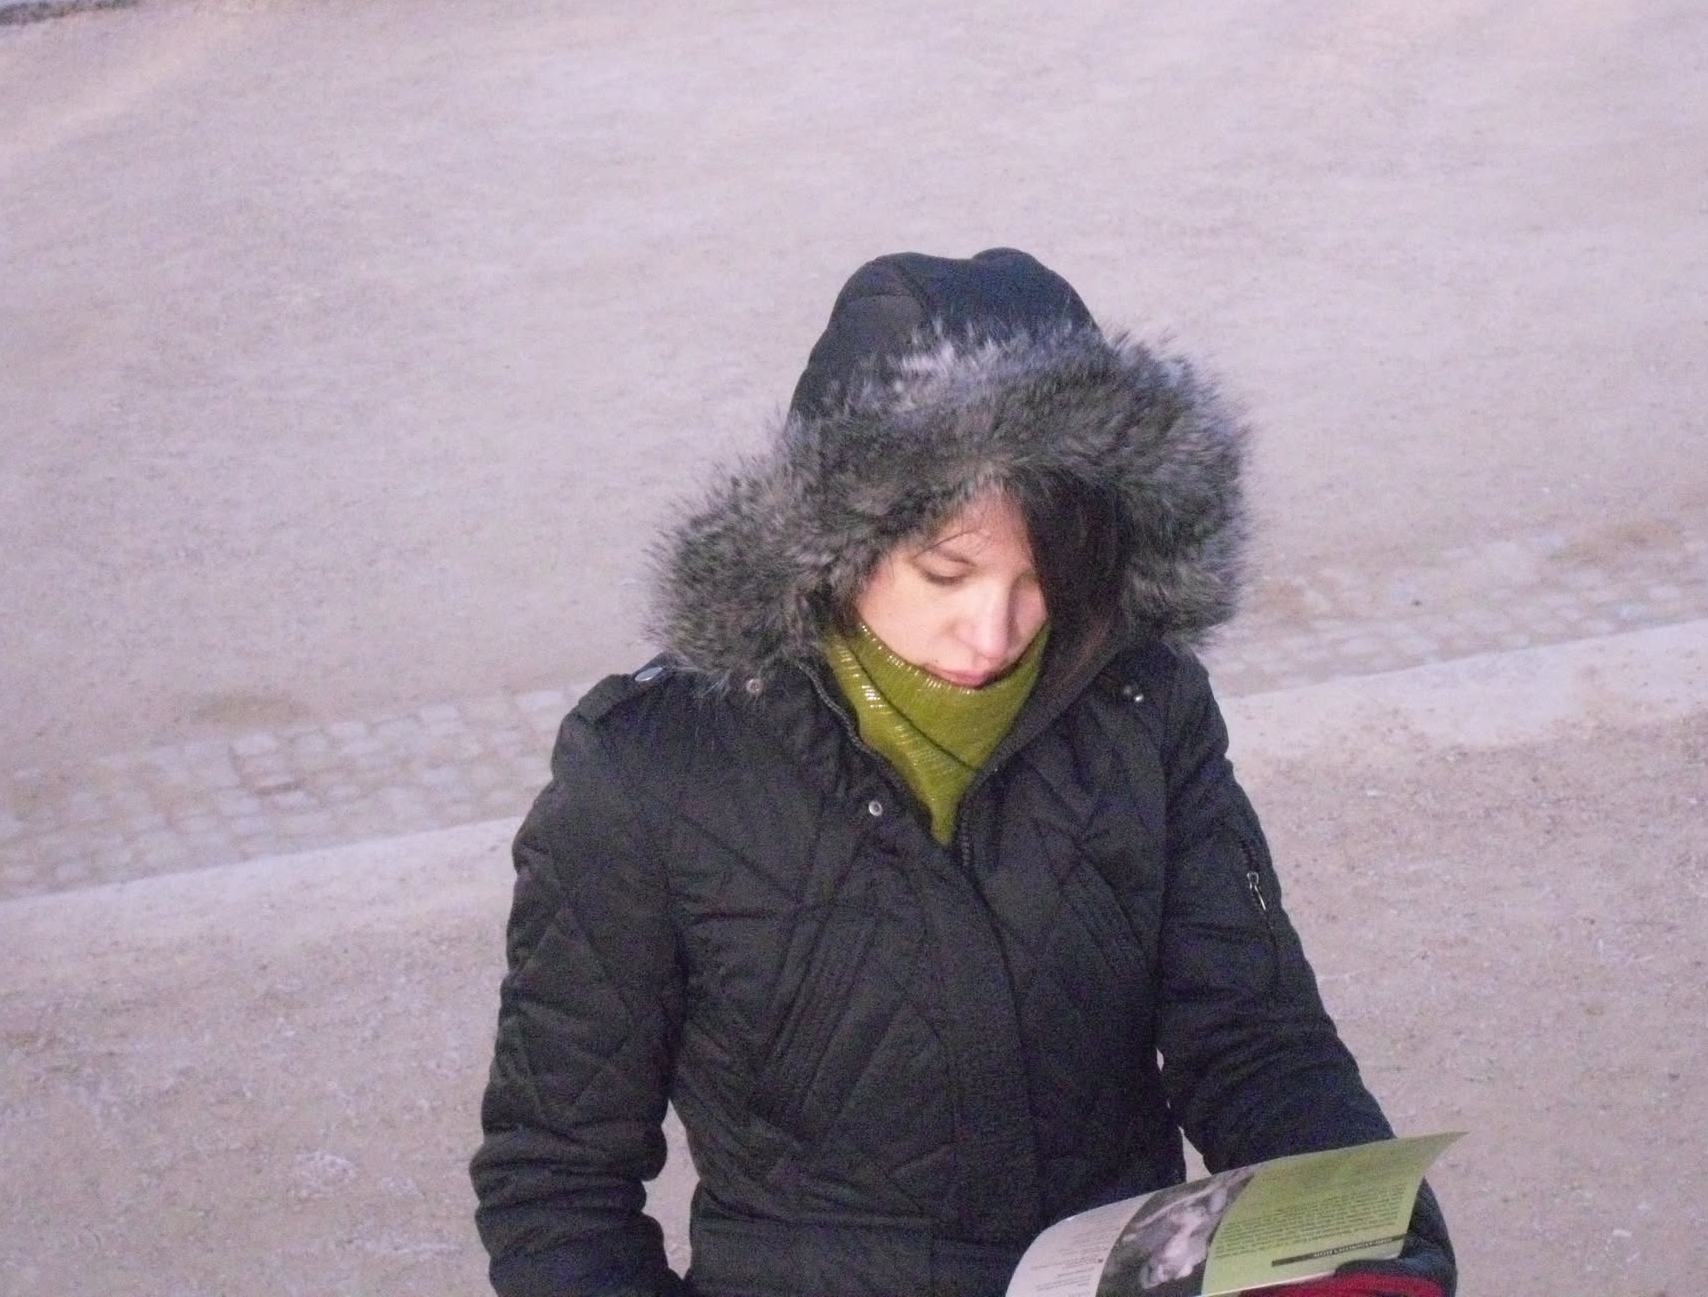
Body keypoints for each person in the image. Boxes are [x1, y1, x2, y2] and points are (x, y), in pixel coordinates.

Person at [470, 248, 1456, 1297]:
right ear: (832, 538)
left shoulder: (1142, 710)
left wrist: (1368, 1242)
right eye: (948, 572)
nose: (996, 631)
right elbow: (558, 1181)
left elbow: (1258, 1044)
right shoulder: (651, 772)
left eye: (1044, 578)